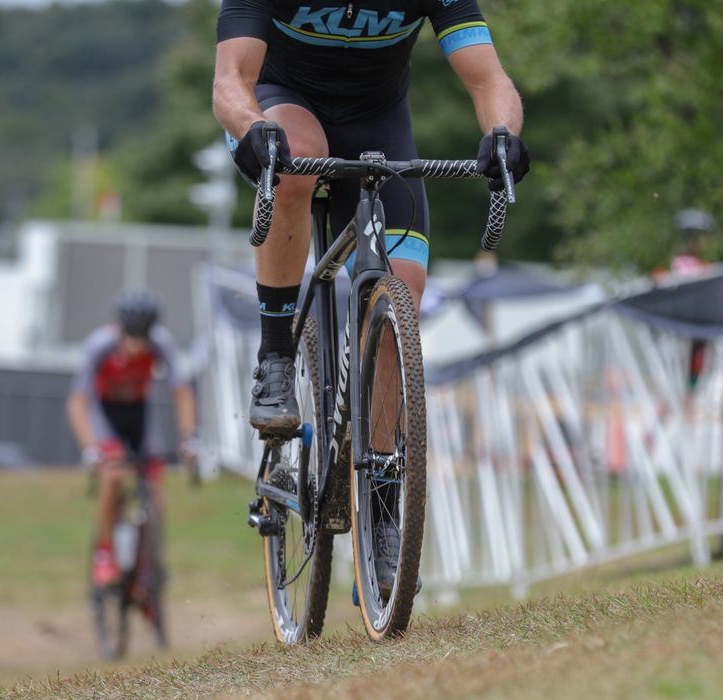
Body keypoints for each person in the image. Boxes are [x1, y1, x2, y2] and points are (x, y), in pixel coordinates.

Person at [212, 0, 529, 596]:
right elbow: (231, 80)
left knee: (400, 293)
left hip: (379, 125)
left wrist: (502, 134)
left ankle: (381, 501)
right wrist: (251, 129)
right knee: (296, 169)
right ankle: (277, 355)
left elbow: (489, 78)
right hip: (282, 109)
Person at [66, 292, 198, 588]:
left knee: (155, 487)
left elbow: (181, 391)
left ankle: (149, 565)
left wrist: (189, 438)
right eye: (131, 337)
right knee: (112, 478)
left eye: (143, 337)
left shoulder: (162, 343)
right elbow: (78, 403)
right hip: (106, 414)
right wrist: (90, 449)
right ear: (119, 329)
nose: (137, 345)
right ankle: (104, 553)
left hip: (139, 413)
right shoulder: (99, 345)